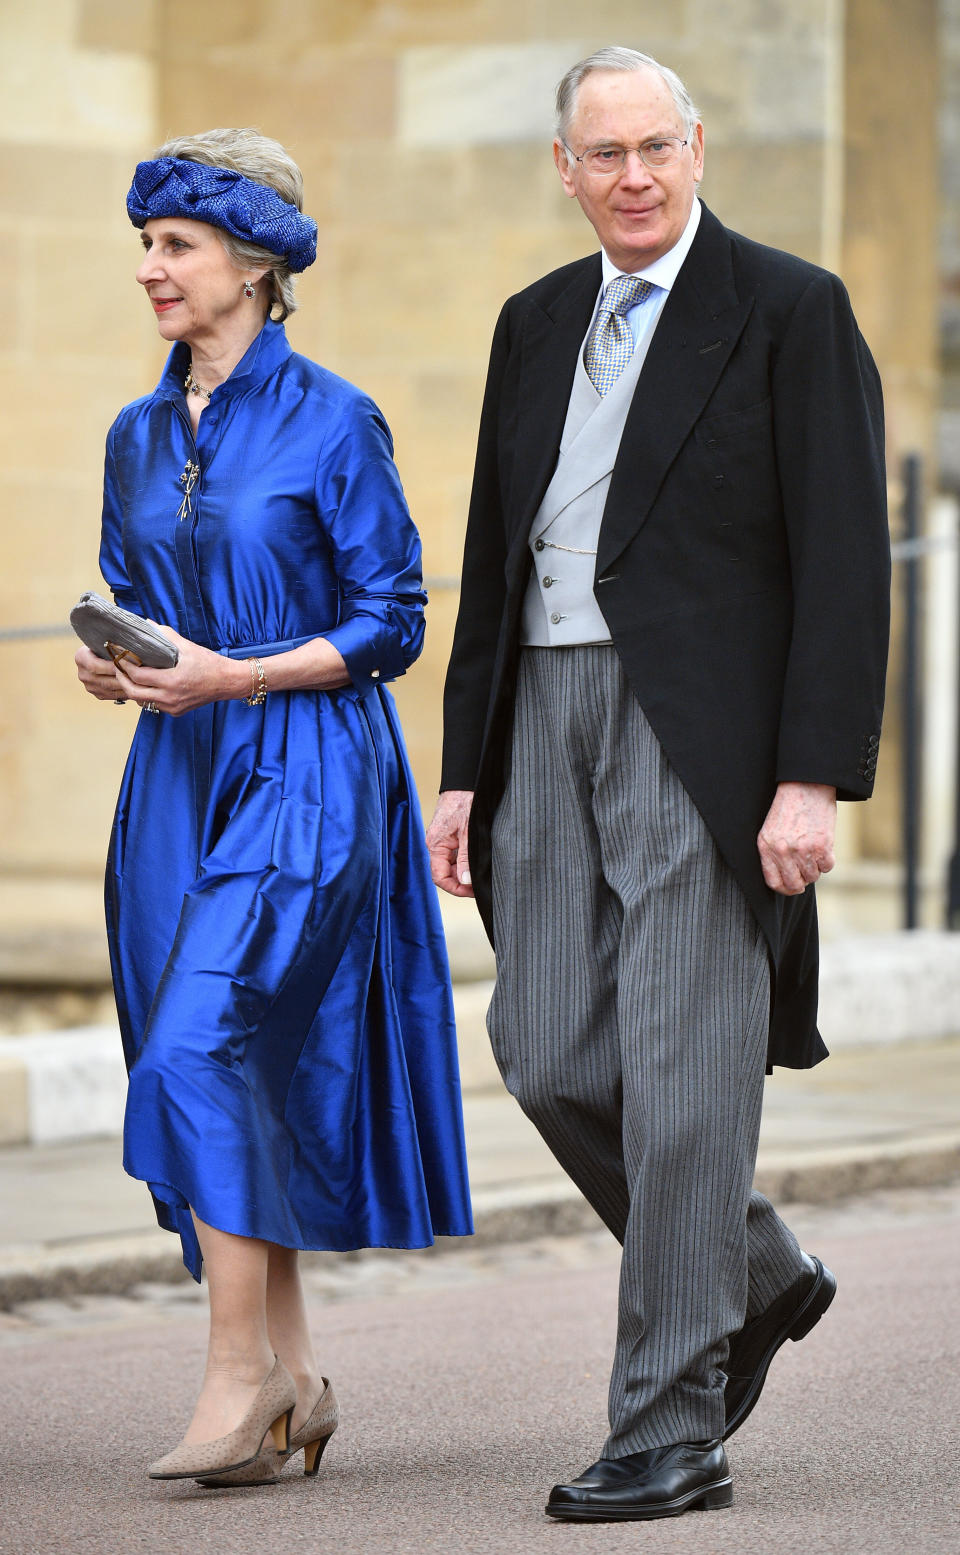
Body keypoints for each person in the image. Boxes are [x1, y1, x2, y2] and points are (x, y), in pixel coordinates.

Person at [426, 47, 889, 1523]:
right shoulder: (534, 320)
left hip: (706, 735)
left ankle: (667, 1421)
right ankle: (754, 1273)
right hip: (540, 718)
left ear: (694, 148)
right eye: (602, 155)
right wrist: (458, 773)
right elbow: (493, 554)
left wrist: (811, 774)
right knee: (548, 1047)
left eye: (654, 149)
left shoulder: (790, 309)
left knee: (689, 1079)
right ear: (566, 169)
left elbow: (842, 559)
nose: (633, 178)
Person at [75, 128, 472, 1487]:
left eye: (176, 245)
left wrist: (235, 671)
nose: (151, 269)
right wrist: (115, 660)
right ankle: (297, 1380)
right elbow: (140, 602)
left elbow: (393, 622)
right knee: (214, 1061)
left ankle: (236, 1379)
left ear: (254, 263)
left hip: (308, 771)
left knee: (203, 1044)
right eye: (147, 245)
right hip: (177, 781)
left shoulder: (336, 418)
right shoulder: (133, 433)